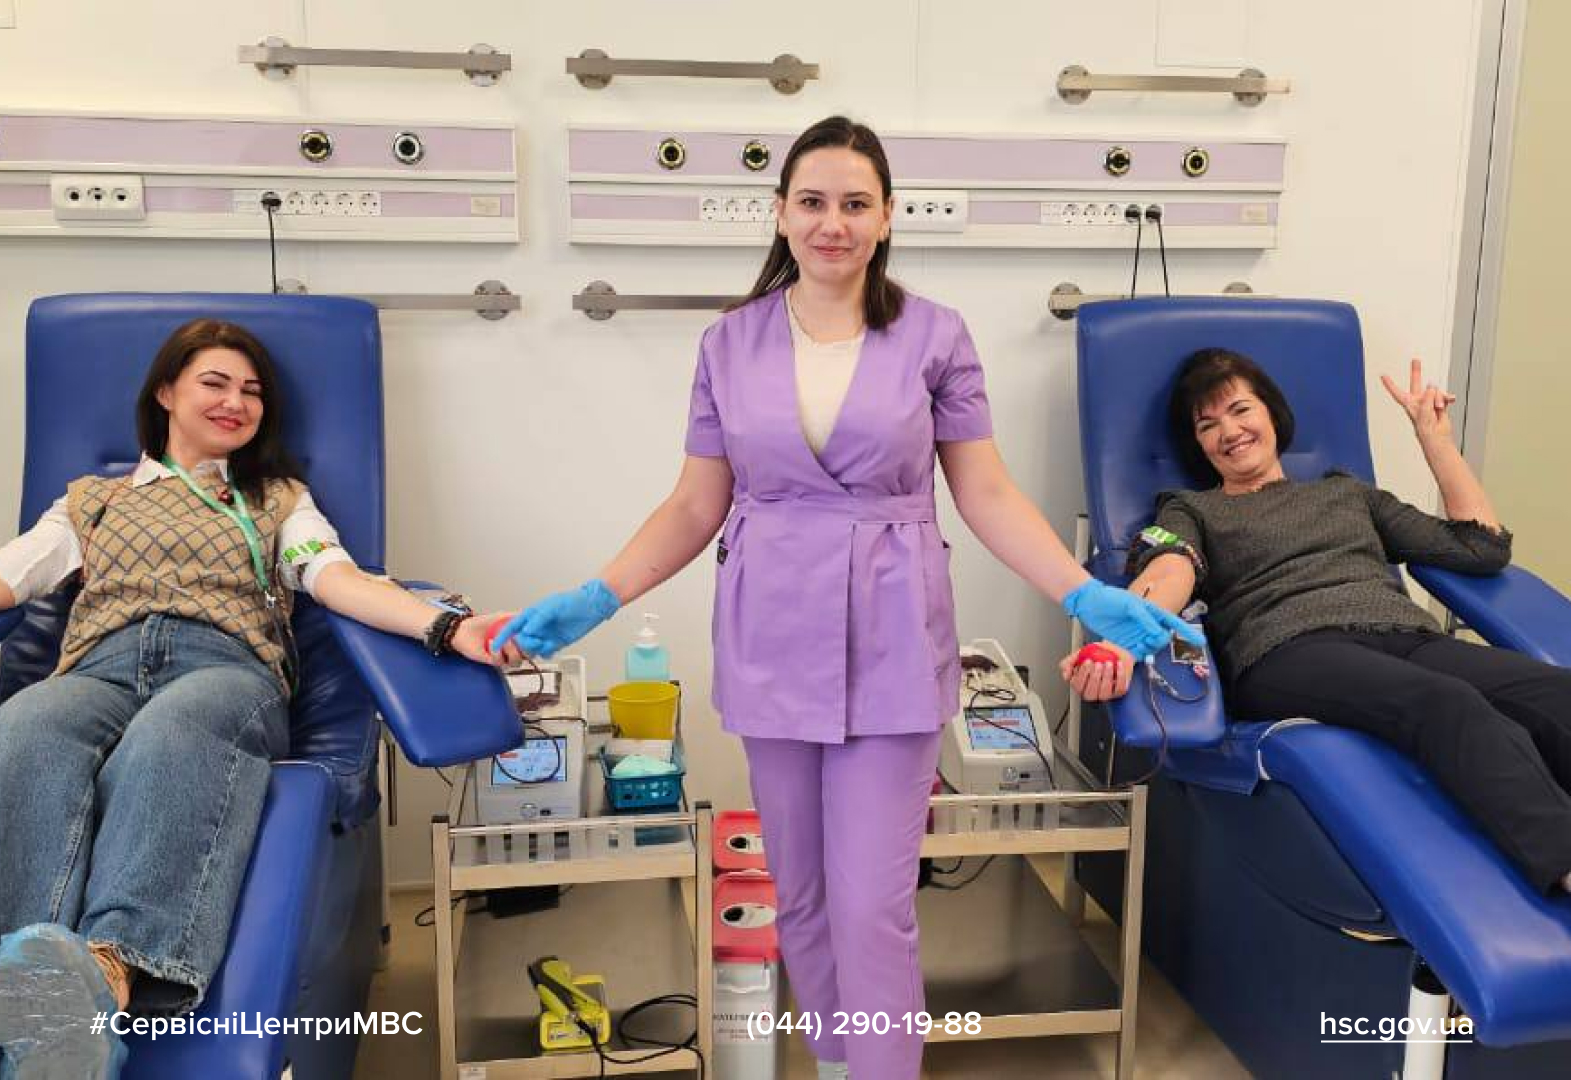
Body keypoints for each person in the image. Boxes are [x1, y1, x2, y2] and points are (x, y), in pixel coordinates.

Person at [490, 116, 1198, 1080]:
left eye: (855, 204)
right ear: (780, 213)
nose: (834, 223)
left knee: (871, 904)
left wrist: (1084, 592)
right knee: (804, 898)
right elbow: (697, 502)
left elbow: (984, 493)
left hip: (892, 633)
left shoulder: (935, 336)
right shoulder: (729, 342)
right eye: (813, 202)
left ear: (887, 216)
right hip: (771, 632)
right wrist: (596, 596)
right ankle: (839, 1062)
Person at [0, 318, 511, 1079]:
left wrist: (447, 627)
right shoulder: (91, 502)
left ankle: (110, 976)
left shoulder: (275, 501)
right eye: (214, 383)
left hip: (223, 668)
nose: (236, 402)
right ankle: (25, 991)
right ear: (166, 392)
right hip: (95, 670)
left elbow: (338, 581)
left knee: (174, 733)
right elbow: (13, 574)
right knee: (24, 726)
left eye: (252, 391)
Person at [1064, 347, 1571, 896]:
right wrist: (1126, 641)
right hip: (1288, 649)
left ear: (1272, 413)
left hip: (1403, 635)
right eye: (1207, 425)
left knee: (1554, 694)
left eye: (1240, 410)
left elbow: (1481, 548)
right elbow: (1171, 569)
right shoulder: (1190, 508)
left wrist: (1435, 440)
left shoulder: (1346, 492)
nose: (1228, 432)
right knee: (1448, 705)